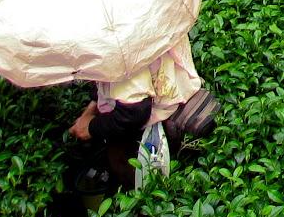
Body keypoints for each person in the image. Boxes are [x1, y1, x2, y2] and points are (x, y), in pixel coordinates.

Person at [69, 36, 201, 189]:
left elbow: (133, 112)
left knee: (142, 184)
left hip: (150, 127)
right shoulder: (148, 18)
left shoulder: (121, 44)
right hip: (176, 93)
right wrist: (92, 108)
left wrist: (92, 128)